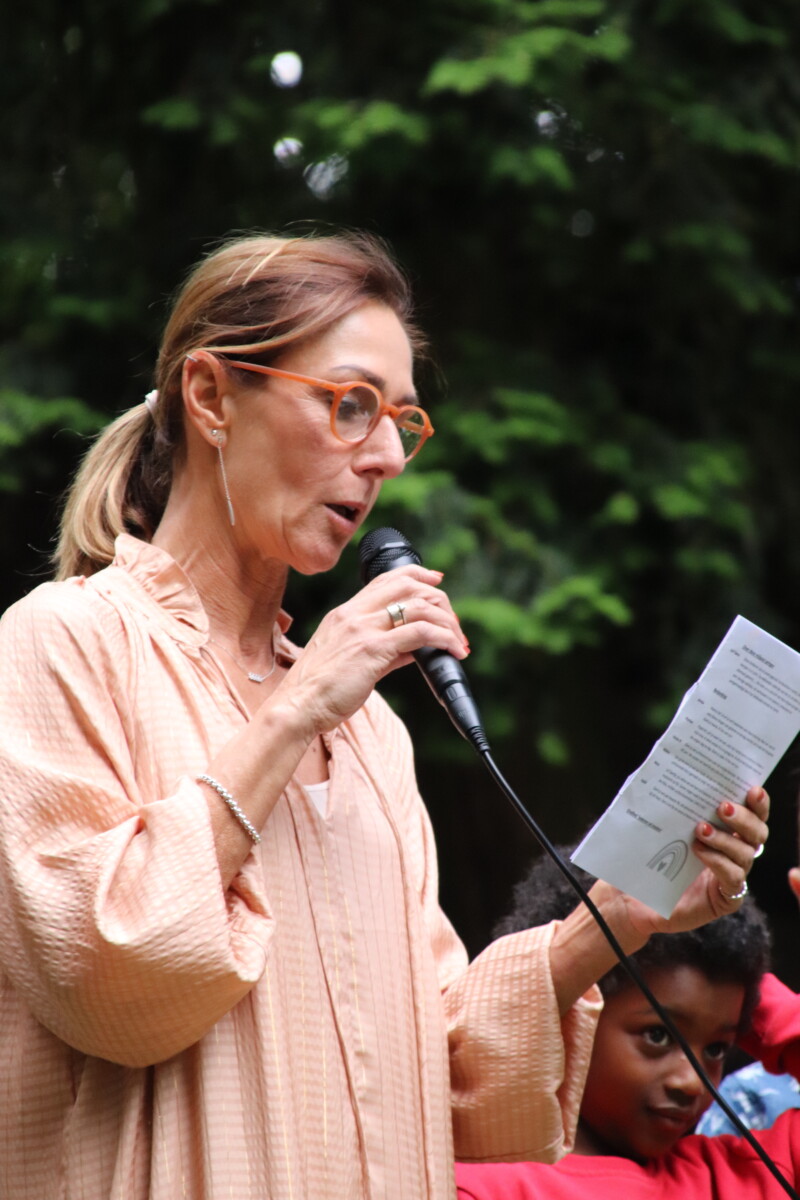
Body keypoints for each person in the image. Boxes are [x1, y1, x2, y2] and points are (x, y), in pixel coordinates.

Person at [0, 230, 769, 1200]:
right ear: (210, 397)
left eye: (402, 420)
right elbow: (106, 975)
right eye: (351, 404)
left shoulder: (370, 735)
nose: (389, 458)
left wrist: (615, 919)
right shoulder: (64, 642)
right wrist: (296, 707)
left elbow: (442, 1081)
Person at [455, 850, 800, 1200]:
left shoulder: (745, 1176)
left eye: (716, 1049)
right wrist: (560, 976)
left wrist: (753, 991)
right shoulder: (474, 1186)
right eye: (657, 1036)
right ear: (572, 1018)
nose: (691, 1082)